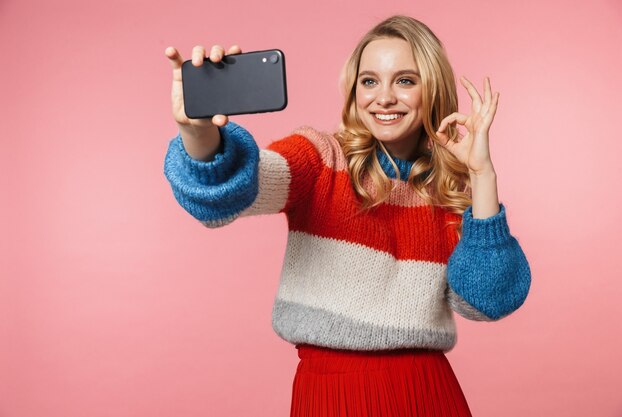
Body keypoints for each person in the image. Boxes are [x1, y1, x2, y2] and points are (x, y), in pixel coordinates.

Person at [163, 15, 531, 417]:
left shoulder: (447, 190)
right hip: (332, 397)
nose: (384, 98)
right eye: (369, 81)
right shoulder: (321, 158)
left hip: (429, 394)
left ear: (433, 90)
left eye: (405, 81)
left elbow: (488, 301)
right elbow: (233, 191)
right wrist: (199, 133)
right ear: (354, 90)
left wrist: (481, 177)